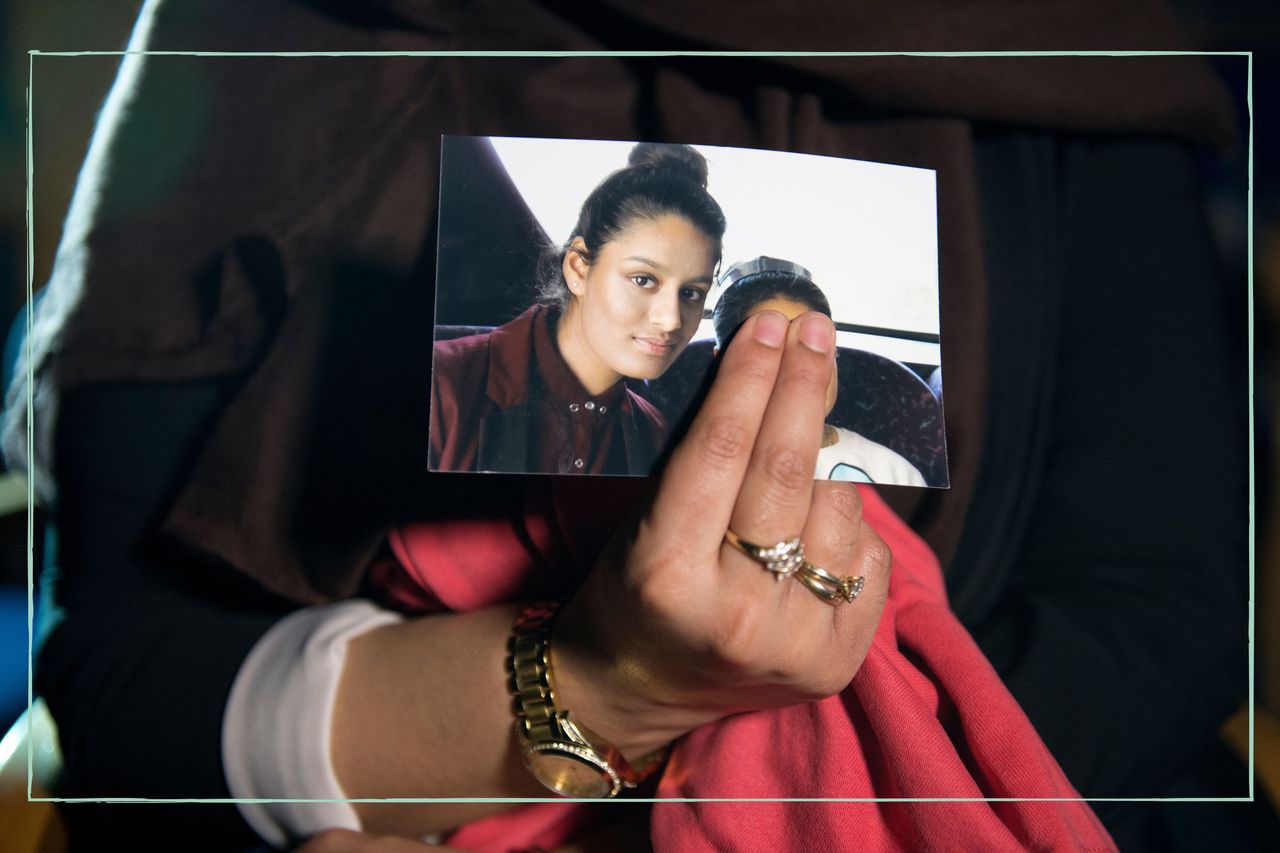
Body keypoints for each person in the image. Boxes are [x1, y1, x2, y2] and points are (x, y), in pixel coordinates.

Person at [6, 3, 1247, 850]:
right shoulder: (281, 37)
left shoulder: (1069, 46)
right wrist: (611, 682)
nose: (662, 319)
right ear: (574, 260)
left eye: (687, 294)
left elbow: (1153, 622)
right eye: (638, 283)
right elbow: (119, 700)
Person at [429, 143, 725, 476]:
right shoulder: (441, 385)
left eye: (691, 292)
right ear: (578, 269)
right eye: (643, 280)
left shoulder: (653, 435)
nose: (671, 319)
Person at [711, 257, 929, 487]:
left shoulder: (894, 473)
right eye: (771, 350)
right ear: (721, 363)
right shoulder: (702, 468)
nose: (800, 372)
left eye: (814, 348)